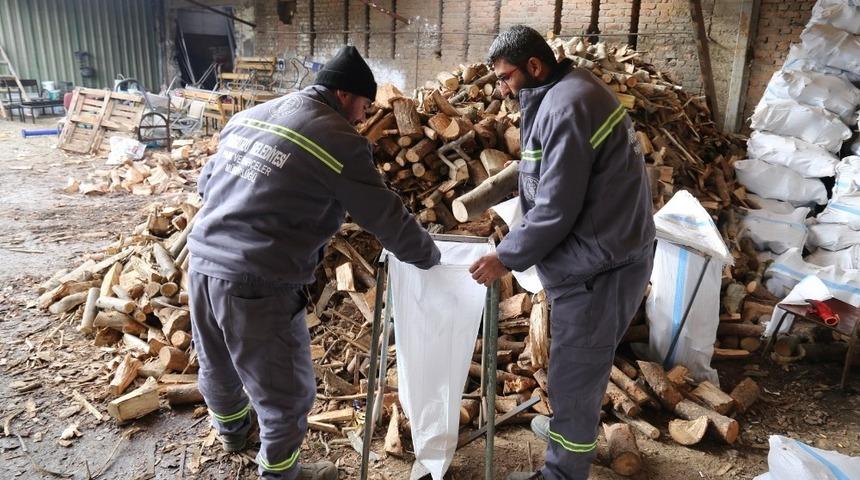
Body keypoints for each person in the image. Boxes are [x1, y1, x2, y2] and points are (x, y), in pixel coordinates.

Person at [187, 46, 441, 480]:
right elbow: (384, 214)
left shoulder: (253, 115)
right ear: (344, 94)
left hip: (202, 261)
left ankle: (231, 433)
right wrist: (430, 256)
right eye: (363, 106)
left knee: (216, 361)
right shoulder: (337, 138)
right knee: (286, 393)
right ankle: (281, 472)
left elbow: (205, 184)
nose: (363, 117)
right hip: (258, 280)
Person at [469, 26, 655, 480]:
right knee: (580, 369)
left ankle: (562, 473)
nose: (503, 88)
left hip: (600, 267)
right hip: (605, 251)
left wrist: (505, 256)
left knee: (574, 378)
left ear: (534, 66)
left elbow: (555, 208)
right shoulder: (567, 91)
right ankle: (568, 441)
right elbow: (552, 172)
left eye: (506, 77)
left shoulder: (568, 105)